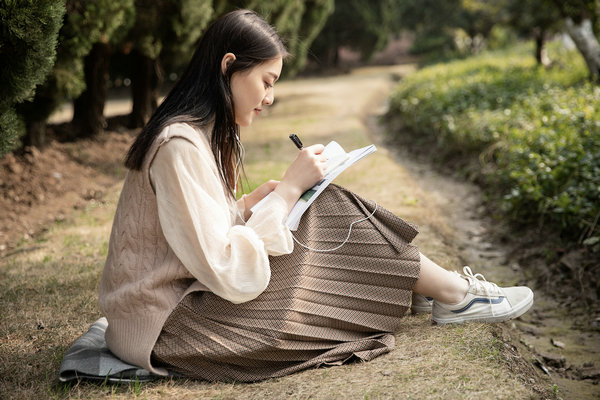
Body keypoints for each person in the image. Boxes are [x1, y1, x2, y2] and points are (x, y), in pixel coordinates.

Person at [98, 9, 533, 382]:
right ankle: (451, 294)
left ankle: (436, 290)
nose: (268, 98)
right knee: (320, 206)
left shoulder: (196, 135)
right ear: (229, 65)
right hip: (172, 329)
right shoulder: (179, 144)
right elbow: (227, 269)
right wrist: (286, 191)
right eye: (266, 81)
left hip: (182, 310)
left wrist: (250, 203)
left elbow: (194, 230)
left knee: (317, 201)